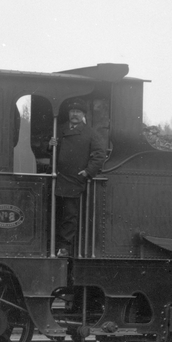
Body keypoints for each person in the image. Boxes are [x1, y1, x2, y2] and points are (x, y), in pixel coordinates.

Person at [51, 99, 107, 257]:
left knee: (69, 215)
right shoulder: (59, 129)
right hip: (56, 177)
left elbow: (100, 154)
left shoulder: (90, 133)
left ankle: (64, 247)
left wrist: (88, 172)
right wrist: (50, 145)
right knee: (54, 213)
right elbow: (49, 150)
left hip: (73, 179)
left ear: (83, 115)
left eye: (78, 112)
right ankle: (52, 245)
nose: (74, 114)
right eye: (72, 111)